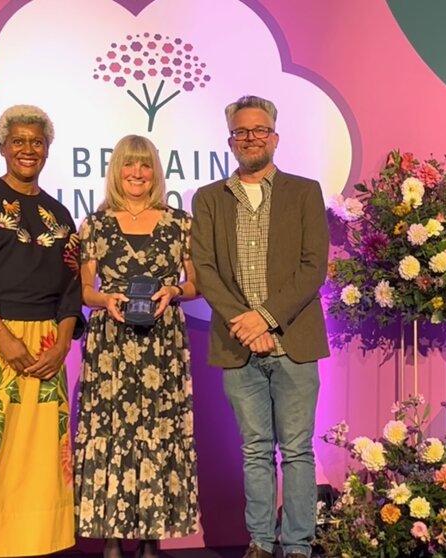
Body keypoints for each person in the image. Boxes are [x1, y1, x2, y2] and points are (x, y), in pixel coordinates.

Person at [191, 95, 330, 558]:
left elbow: (313, 267)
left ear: (275, 137)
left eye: (259, 130)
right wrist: (246, 325)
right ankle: (261, 542)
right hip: (238, 346)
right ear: (231, 140)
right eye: (242, 132)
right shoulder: (209, 198)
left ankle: (298, 545)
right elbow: (205, 269)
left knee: (297, 451)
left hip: (294, 342)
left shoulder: (304, 191)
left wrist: (265, 318)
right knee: (255, 450)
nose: (251, 138)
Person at [0, 104, 85, 557]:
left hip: (45, 345)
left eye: (36, 141)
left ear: (47, 149)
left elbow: (71, 288)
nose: (28, 149)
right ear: (3, 147)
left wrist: (62, 344)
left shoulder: (59, 215)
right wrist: (3, 337)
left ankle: (37, 545)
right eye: (19, 141)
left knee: (41, 456)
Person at [74, 134, 199, 558]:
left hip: (162, 346)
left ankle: (151, 537)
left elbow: (196, 284)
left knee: (159, 433)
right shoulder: (95, 224)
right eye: (129, 164)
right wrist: (104, 299)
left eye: (145, 165)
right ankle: (110, 537)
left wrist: (174, 291)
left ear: (155, 172)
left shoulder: (180, 222)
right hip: (111, 345)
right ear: (117, 170)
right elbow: (84, 290)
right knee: (111, 432)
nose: (137, 173)